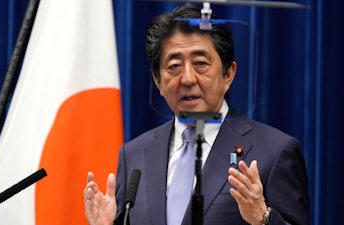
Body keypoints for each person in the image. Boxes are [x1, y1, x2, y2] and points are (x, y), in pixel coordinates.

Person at [84, 4, 310, 225]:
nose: (188, 79)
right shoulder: (133, 155)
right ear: (158, 81)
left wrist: (263, 219)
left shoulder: (274, 152)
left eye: (200, 63)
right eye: (174, 66)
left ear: (228, 74)